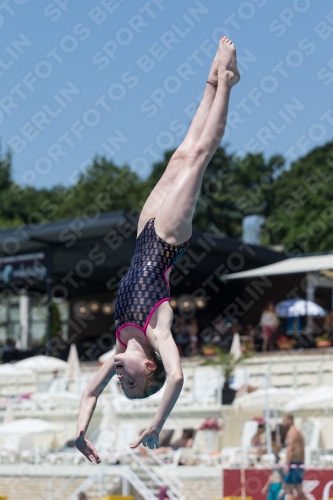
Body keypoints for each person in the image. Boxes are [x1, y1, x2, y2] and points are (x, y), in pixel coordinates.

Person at [75, 36, 240, 463]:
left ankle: (210, 79)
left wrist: (80, 433)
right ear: (148, 367)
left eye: (120, 387)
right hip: (167, 240)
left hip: (144, 231)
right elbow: (179, 376)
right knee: (201, 155)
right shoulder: (156, 333)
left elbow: (90, 392)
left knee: (181, 155)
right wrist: (158, 424)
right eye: (129, 385)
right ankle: (226, 84)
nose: (119, 380)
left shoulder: (118, 345)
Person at [282, 413, 305, 500]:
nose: (283, 424)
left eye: (284, 421)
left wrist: (287, 464)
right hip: (299, 463)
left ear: (290, 420)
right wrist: (303, 464)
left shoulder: (291, 432)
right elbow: (303, 451)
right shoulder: (299, 433)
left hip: (292, 463)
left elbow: (290, 449)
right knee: (299, 489)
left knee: (289, 490)